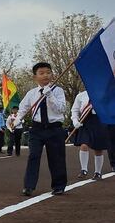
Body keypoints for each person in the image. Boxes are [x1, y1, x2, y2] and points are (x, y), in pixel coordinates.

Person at [15, 62, 67, 197]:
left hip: (54, 129)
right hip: (37, 129)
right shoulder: (32, 93)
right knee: (33, 156)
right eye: (41, 73)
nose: (45, 75)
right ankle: (29, 186)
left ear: (52, 74)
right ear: (35, 77)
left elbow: (61, 109)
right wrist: (17, 118)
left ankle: (59, 186)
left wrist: (49, 95)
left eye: (48, 72)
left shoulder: (58, 91)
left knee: (56, 157)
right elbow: (23, 108)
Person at [71, 88, 108, 181]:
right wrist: (75, 120)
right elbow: (74, 110)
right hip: (86, 122)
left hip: (99, 121)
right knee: (84, 144)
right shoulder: (81, 95)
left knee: (98, 149)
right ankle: (84, 169)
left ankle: (98, 172)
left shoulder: (104, 94)